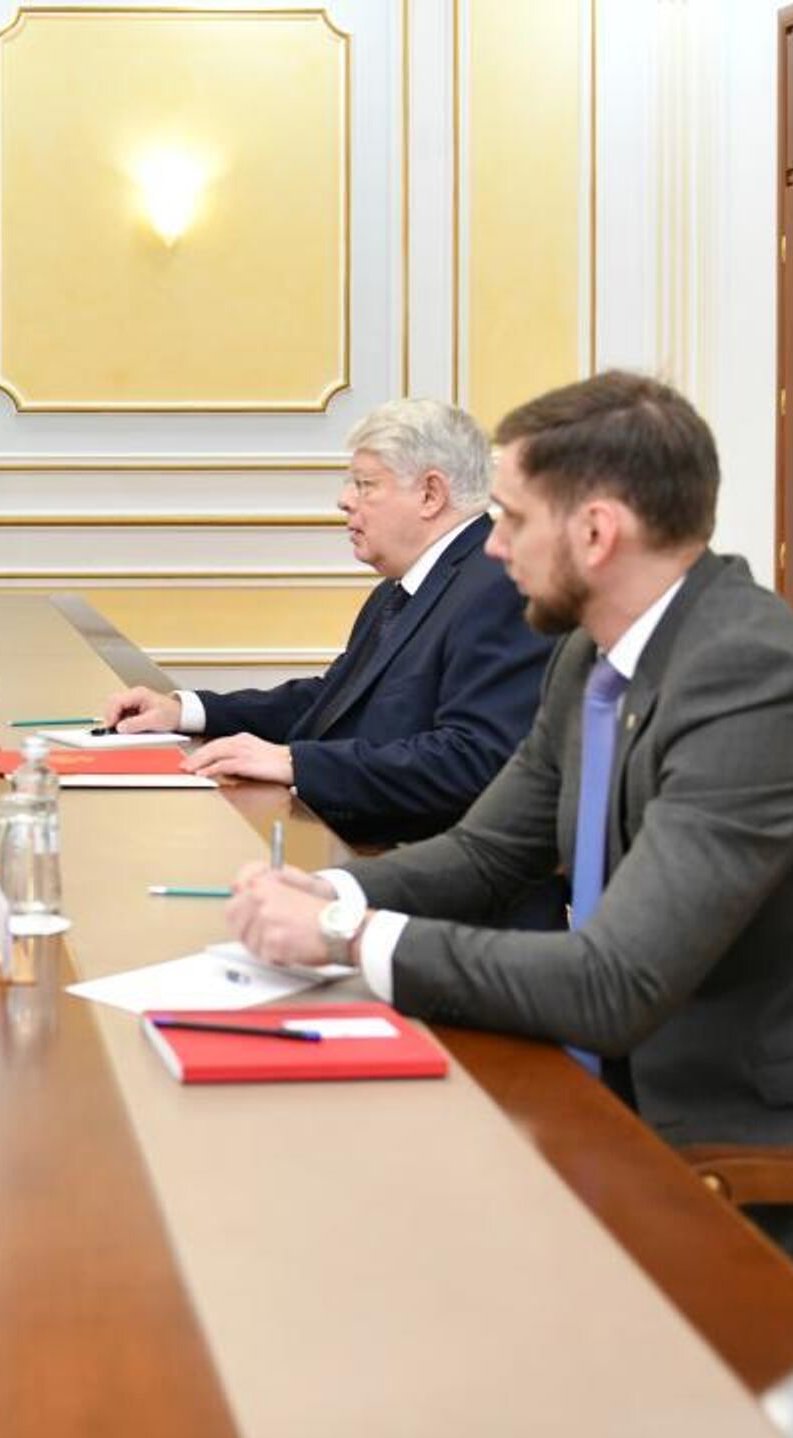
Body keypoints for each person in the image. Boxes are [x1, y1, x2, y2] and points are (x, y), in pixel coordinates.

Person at [228, 371, 793, 1168]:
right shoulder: (588, 652)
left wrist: (344, 935)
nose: (493, 546)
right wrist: (330, 891)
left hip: (717, 1141)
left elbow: (614, 983)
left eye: (515, 520)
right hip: (587, 1076)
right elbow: (487, 852)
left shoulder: (749, 675)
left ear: (596, 533)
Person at [103, 398, 553, 846]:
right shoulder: (404, 586)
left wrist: (297, 763)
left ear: (430, 494)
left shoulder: (498, 587)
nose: (344, 500)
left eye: (365, 485)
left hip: (422, 868)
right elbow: (333, 701)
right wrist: (187, 711)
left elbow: (473, 760)